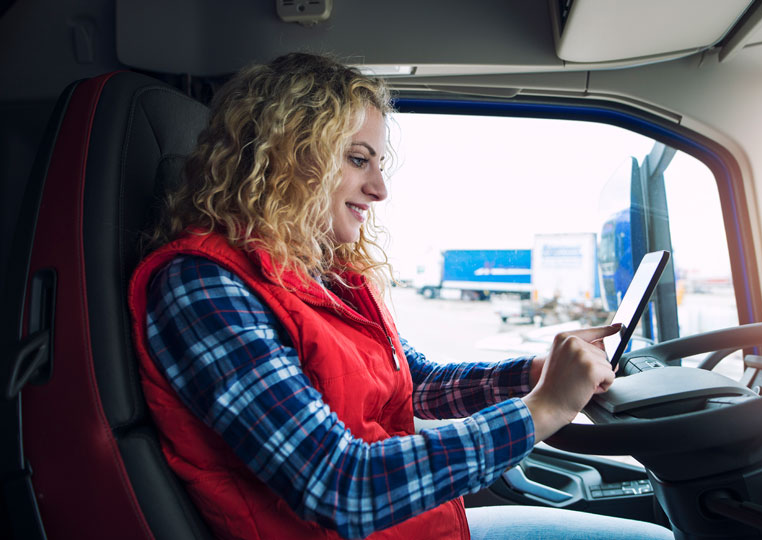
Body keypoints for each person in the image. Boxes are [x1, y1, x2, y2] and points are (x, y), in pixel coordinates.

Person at [127, 53, 673, 540]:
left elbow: (417, 383)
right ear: (284, 156)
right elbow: (342, 485)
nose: (379, 189)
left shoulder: (323, 275)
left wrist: (534, 372)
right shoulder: (202, 287)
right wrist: (543, 408)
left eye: (378, 164)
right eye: (357, 159)